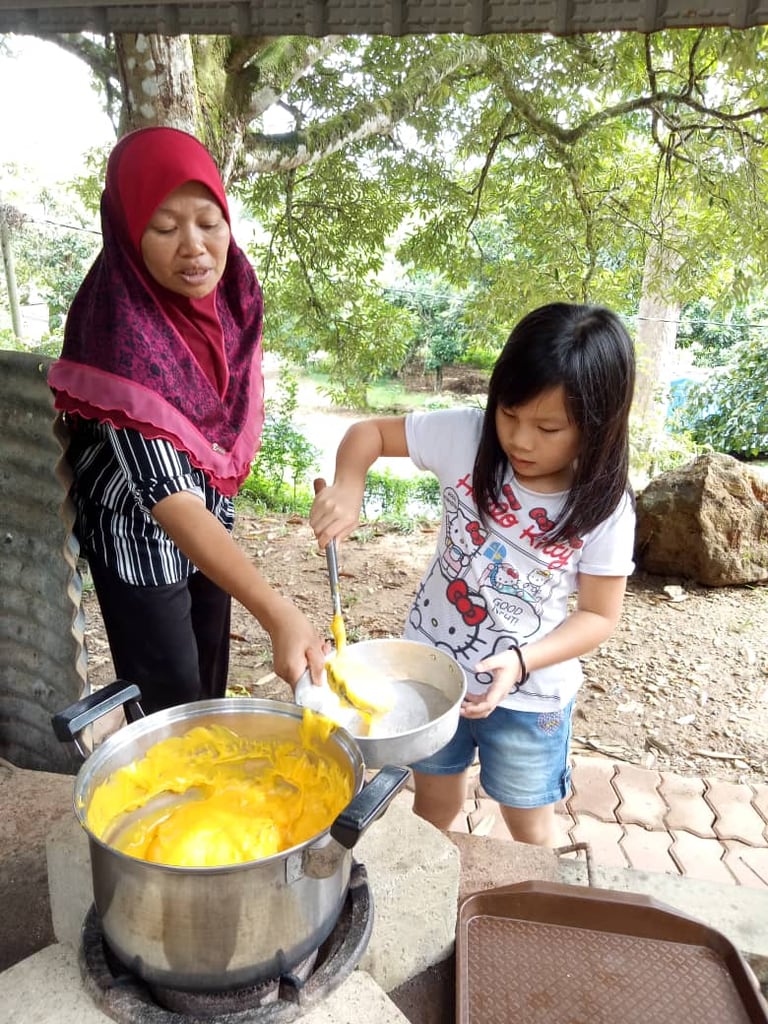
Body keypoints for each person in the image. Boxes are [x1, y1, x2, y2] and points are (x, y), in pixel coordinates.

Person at [310, 302, 636, 847]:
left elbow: (599, 616)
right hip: (433, 678)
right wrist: (348, 485)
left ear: (598, 424)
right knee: (434, 807)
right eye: (509, 414)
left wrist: (521, 661)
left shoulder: (605, 506)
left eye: (548, 427)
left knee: (529, 827)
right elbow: (368, 434)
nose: (521, 440)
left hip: (530, 696)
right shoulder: (466, 436)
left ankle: (533, 897)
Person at [49, 126, 326, 715]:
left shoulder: (234, 297)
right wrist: (277, 611)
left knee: (209, 674)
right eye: (165, 228)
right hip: (137, 531)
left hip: (210, 519)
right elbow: (168, 498)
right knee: (170, 695)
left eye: (208, 222)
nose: (194, 248)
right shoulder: (120, 330)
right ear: (128, 233)